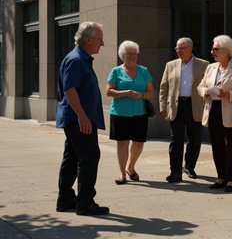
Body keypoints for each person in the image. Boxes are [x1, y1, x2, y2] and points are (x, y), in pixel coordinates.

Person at [55, 21, 110, 216]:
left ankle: (65, 199)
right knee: (89, 157)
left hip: (77, 118)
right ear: (88, 40)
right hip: (78, 120)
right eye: (100, 39)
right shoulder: (76, 60)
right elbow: (70, 90)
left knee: (72, 158)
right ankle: (85, 202)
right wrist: (82, 116)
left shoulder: (80, 58)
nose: (102, 43)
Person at [197, 35, 232, 193]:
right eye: (212, 49)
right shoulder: (211, 67)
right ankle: (221, 177)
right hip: (213, 109)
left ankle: (231, 180)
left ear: (227, 51)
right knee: (217, 146)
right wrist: (206, 91)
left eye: (215, 49)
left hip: (230, 111)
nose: (212, 51)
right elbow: (200, 86)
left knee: (231, 147)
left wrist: (229, 95)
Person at [159, 37, 209, 183]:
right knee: (176, 139)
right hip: (176, 106)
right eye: (177, 48)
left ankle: (189, 166)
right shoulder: (170, 65)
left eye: (181, 48)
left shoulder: (204, 65)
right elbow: (164, 87)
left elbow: (208, 84)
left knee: (195, 139)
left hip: (195, 106)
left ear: (190, 48)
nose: (178, 51)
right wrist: (163, 106)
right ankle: (175, 171)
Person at [106, 40, 154, 185]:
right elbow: (108, 91)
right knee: (122, 143)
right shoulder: (115, 71)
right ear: (122, 55)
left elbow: (150, 92)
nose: (133, 57)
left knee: (139, 143)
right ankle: (122, 174)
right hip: (120, 113)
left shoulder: (144, 70)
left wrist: (141, 95)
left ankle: (130, 167)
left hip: (140, 112)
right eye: (129, 54)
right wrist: (124, 93)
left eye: (135, 54)